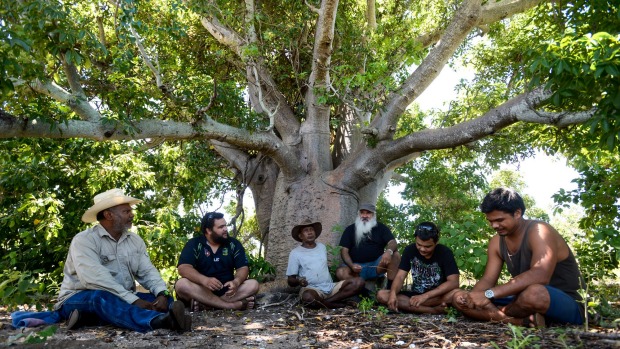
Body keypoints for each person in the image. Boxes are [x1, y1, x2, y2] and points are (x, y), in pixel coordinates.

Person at [54, 188, 191, 332]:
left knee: (164, 301)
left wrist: (162, 294)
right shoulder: (84, 240)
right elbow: (96, 280)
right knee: (100, 298)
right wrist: (134, 300)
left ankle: (90, 319)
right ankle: (157, 321)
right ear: (108, 215)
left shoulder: (134, 240)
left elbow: (147, 271)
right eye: (126, 211)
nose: (132, 215)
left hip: (122, 297)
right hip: (79, 298)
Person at [452, 188, 585, 327]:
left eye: (499, 220)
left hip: (561, 301)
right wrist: (471, 298)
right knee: (458, 297)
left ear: (517, 213)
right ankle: (521, 321)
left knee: (533, 293)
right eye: (490, 221)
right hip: (519, 300)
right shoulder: (496, 242)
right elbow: (488, 279)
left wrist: (488, 295)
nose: (494, 225)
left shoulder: (540, 231)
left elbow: (540, 275)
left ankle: (499, 315)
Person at [175, 211, 259, 311]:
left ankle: (208, 304)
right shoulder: (194, 244)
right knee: (181, 284)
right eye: (221, 227)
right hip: (201, 289)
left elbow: (243, 268)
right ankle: (231, 306)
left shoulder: (233, 244)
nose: (225, 229)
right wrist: (204, 280)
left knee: (253, 284)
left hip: (227, 291)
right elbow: (183, 268)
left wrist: (236, 282)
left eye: (225, 226)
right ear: (209, 230)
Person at [377, 222, 460, 314]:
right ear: (415, 239)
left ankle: (417, 308)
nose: (422, 249)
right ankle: (433, 310)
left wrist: (425, 296)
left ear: (436, 242)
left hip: (437, 296)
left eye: (427, 246)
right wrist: (393, 294)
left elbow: (454, 282)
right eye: (419, 245)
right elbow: (400, 277)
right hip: (415, 296)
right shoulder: (410, 250)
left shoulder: (445, 252)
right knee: (382, 295)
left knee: (456, 294)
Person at [286, 220, 365, 309]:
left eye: (311, 229)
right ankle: (341, 305)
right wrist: (299, 281)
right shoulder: (295, 253)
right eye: (306, 230)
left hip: (330, 287)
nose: (310, 232)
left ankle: (327, 302)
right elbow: (290, 280)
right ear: (300, 236)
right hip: (312, 289)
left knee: (359, 282)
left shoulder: (322, 247)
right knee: (308, 297)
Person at [336, 203, 400, 290]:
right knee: (340, 272)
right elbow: (344, 250)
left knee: (395, 255)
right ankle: (363, 292)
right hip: (355, 268)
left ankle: (390, 289)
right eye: (362, 213)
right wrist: (351, 266)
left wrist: (389, 252)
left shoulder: (381, 228)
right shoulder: (350, 229)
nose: (365, 216)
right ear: (359, 214)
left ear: (373, 215)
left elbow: (393, 242)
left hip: (375, 266)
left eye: (368, 213)